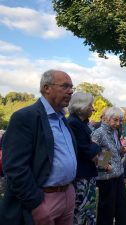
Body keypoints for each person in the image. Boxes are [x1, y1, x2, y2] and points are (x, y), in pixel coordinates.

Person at [0, 69, 77, 225]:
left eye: (72, 87)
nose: (70, 91)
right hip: (43, 198)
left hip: (67, 194)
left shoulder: (63, 119)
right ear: (46, 88)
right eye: (65, 86)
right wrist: (35, 204)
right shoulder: (25, 117)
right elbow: (15, 167)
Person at [92, 107, 126, 225]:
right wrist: (105, 165)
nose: (118, 123)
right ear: (107, 119)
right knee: (106, 210)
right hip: (106, 177)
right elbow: (92, 152)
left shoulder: (114, 131)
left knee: (122, 207)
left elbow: (112, 150)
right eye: (115, 120)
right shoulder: (99, 132)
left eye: (120, 120)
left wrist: (122, 150)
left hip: (118, 174)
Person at [67, 92, 102, 225]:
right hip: (81, 176)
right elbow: (86, 151)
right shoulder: (74, 124)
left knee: (89, 211)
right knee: (81, 211)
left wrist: (94, 145)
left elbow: (90, 147)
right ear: (81, 106)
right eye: (90, 105)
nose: (93, 109)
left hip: (87, 174)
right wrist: (96, 145)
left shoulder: (82, 123)